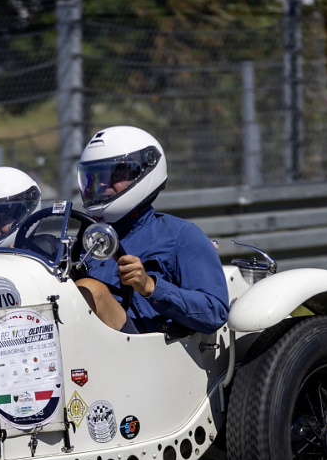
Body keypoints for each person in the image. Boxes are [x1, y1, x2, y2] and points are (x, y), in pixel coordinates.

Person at [73, 126, 229, 335]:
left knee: (92, 291)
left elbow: (215, 312)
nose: (101, 183)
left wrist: (150, 287)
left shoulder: (181, 235)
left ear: (143, 171)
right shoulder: (85, 240)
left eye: (115, 173)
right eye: (94, 175)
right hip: (88, 343)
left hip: (143, 347)